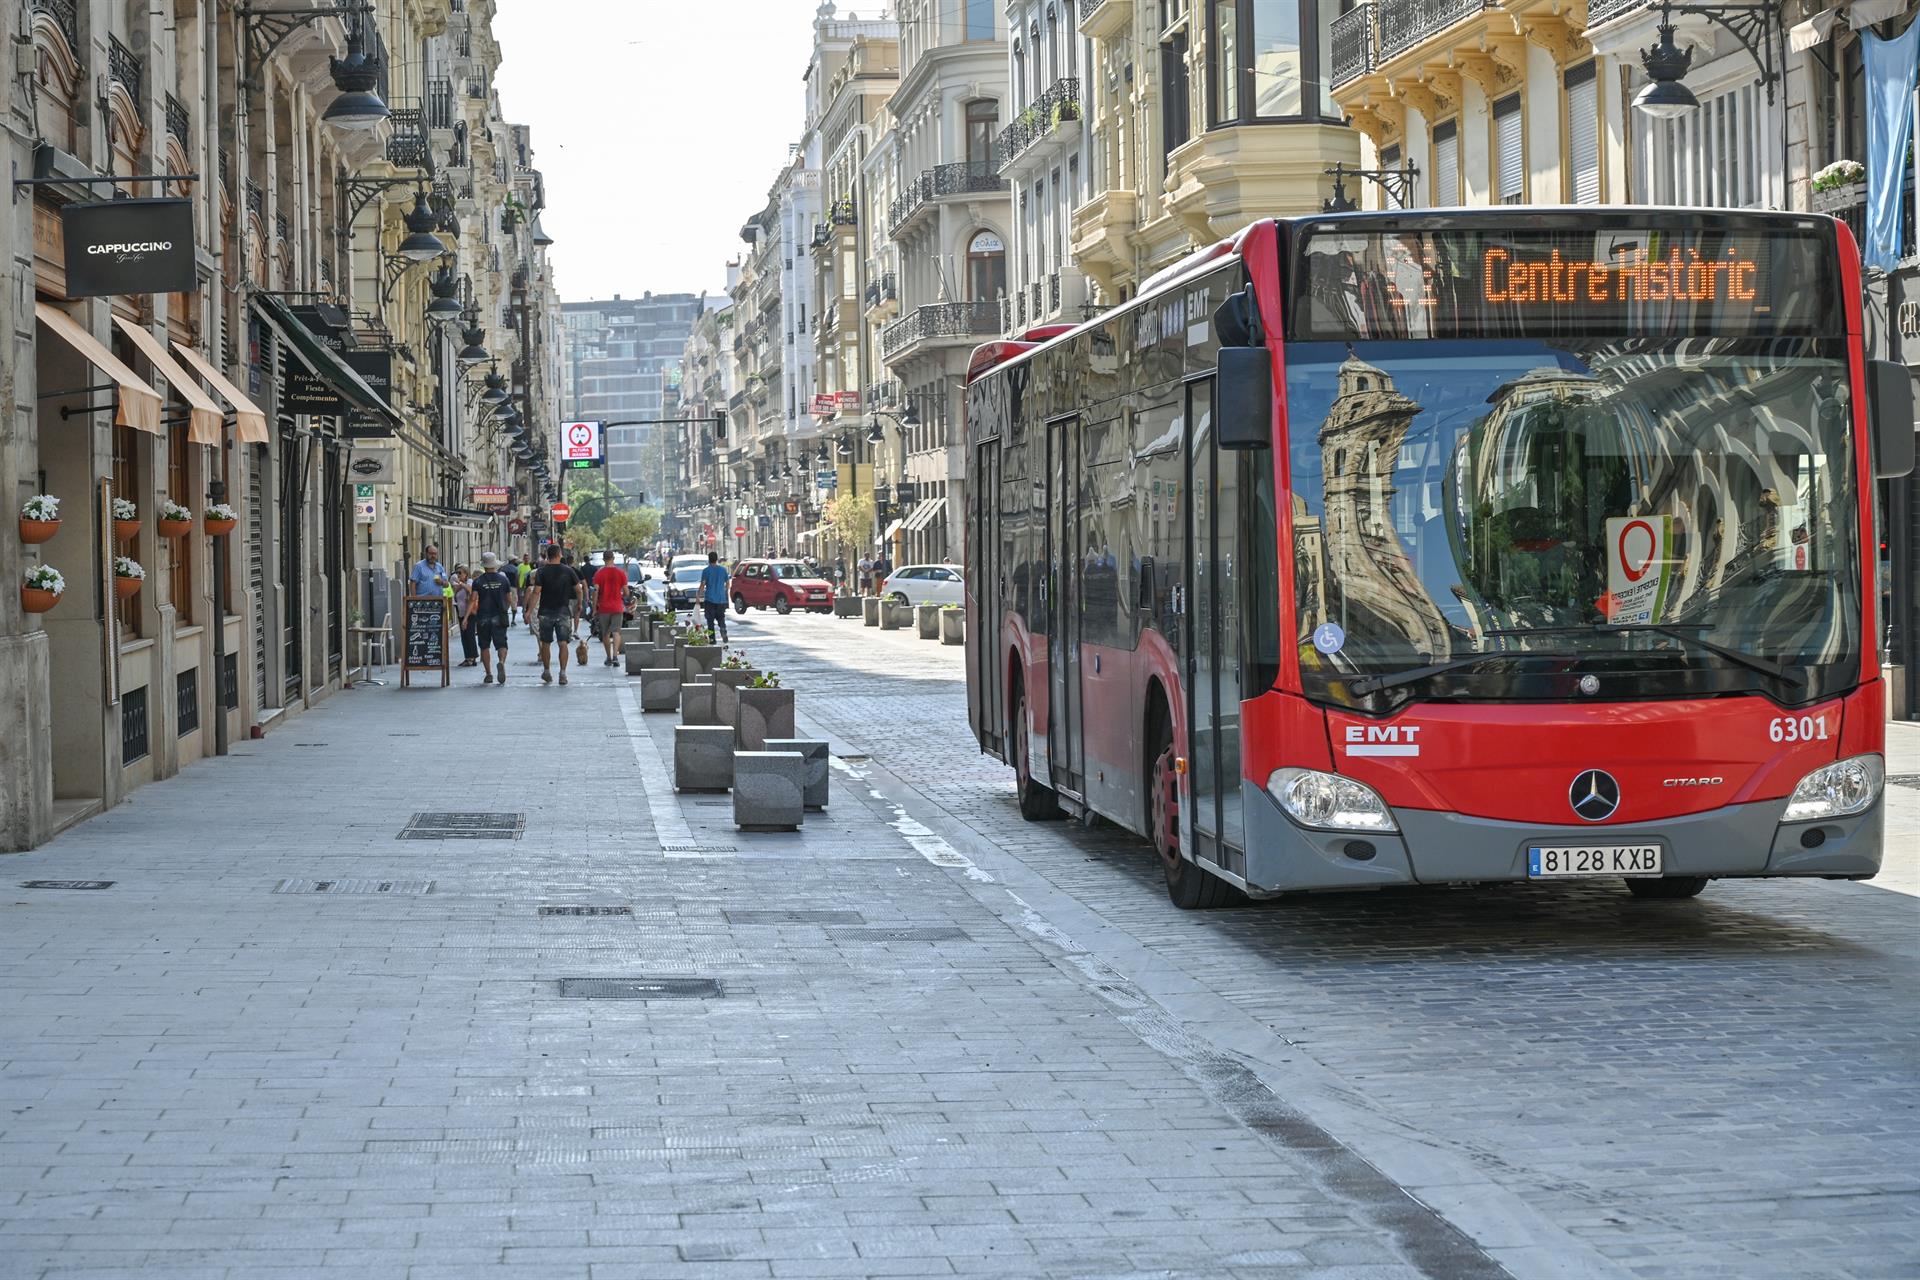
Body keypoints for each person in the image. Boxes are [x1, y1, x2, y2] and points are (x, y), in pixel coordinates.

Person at [524, 544, 582, 685]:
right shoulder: (568, 571)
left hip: (545, 612)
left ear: (548, 556)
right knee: (563, 643)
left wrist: (529, 611)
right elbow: (578, 588)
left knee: (546, 643)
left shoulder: (541, 572)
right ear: (559, 554)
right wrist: (579, 604)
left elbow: (536, 592)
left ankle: (547, 671)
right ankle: (562, 673)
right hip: (563, 611)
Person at [466, 552, 516, 685]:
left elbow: (473, 599)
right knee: (502, 644)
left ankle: (488, 673)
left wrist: (466, 618)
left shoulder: (478, 581)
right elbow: (509, 598)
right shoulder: (503, 579)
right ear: (494, 564)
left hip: (483, 616)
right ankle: (501, 662)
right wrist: (512, 609)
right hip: (499, 615)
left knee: (484, 645)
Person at [591, 551, 629, 666]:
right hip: (617, 607)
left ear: (604, 559)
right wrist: (621, 595)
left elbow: (596, 592)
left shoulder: (599, 574)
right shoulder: (621, 573)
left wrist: (594, 608)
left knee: (605, 634)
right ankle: (615, 657)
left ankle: (608, 657)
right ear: (613, 559)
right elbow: (626, 592)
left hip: (604, 608)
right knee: (616, 632)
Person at [698, 550, 732, 643]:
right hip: (721, 599)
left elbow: (703, 584)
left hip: (710, 599)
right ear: (717, 559)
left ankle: (712, 639)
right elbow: (728, 583)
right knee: (721, 617)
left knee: (710, 620)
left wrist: (698, 596)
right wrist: (725, 591)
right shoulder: (723, 570)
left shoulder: (706, 571)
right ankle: (723, 628)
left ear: (709, 560)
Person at [451, 566, 478, 666]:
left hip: (469, 613)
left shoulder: (470, 582)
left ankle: (471, 657)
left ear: (466, 574)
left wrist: (461, 584)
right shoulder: (460, 584)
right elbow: (456, 593)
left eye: (460, 573)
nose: (458, 575)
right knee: (464, 635)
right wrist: (457, 585)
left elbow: (471, 590)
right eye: (457, 573)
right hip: (461, 612)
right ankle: (468, 657)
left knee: (469, 635)